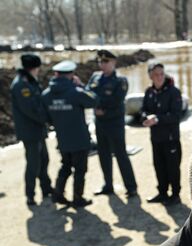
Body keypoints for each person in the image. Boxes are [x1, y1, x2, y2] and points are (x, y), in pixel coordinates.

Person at [41, 60, 98, 208]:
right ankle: (77, 198)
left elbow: (46, 117)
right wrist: (81, 86)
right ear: (71, 75)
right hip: (79, 139)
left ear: (56, 74)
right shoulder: (75, 92)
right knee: (80, 170)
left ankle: (58, 194)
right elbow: (94, 100)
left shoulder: (46, 95)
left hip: (63, 139)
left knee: (65, 166)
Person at [86, 50, 138, 198]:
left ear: (114, 62)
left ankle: (131, 187)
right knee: (103, 155)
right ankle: (107, 185)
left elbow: (115, 100)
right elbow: (87, 93)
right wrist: (96, 106)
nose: (102, 64)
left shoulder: (120, 81)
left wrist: (101, 107)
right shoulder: (95, 77)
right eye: (100, 62)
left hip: (114, 123)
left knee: (121, 154)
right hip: (100, 123)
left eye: (105, 62)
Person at [10, 53, 53, 206]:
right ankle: (30, 195)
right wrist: (48, 119)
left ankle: (46, 189)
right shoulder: (21, 85)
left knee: (44, 160)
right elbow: (31, 109)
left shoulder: (30, 81)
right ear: (32, 68)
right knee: (33, 164)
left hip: (37, 130)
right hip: (30, 131)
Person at [141, 63, 183, 206]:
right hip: (156, 138)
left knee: (172, 167)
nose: (159, 77)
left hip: (171, 138)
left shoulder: (174, 92)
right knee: (159, 166)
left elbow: (176, 116)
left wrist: (157, 119)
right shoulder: (149, 92)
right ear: (150, 76)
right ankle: (162, 192)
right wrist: (145, 118)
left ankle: (175, 195)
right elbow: (143, 110)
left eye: (161, 74)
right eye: (155, 75)